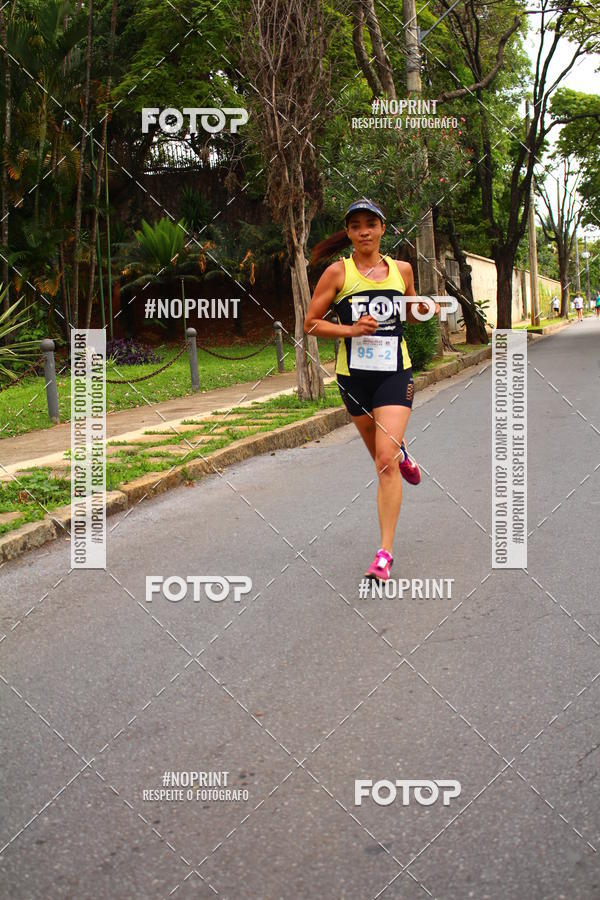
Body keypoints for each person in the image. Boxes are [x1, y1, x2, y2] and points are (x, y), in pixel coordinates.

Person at [304, 199, 439, 582]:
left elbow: (411, 312)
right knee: (386, 457)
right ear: (348, 233)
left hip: (395, 372)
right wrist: (351, 330)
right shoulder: (337, 273)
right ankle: (405, 455)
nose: (364, 231)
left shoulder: (403, 269)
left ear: (383, 229)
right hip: (354, 378)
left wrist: (422, 308)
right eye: (356, 225)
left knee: (384, 460)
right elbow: (310, 324)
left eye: (371, 224)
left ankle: (384, 554)